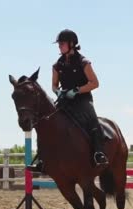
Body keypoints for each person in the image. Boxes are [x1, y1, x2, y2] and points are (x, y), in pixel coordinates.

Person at [28, 29, 109, 172]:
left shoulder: (84, 62)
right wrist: (58, 91)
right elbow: (54, 85)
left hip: (83, 99)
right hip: (65, 99)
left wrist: (76, 90)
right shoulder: (57, 65)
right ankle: (42, 159)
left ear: (72, 44)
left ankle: (99, 153)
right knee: (45, 121)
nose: (59, 46)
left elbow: (95, 83)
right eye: (59, 44)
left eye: (62, 43)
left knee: (91, 119)